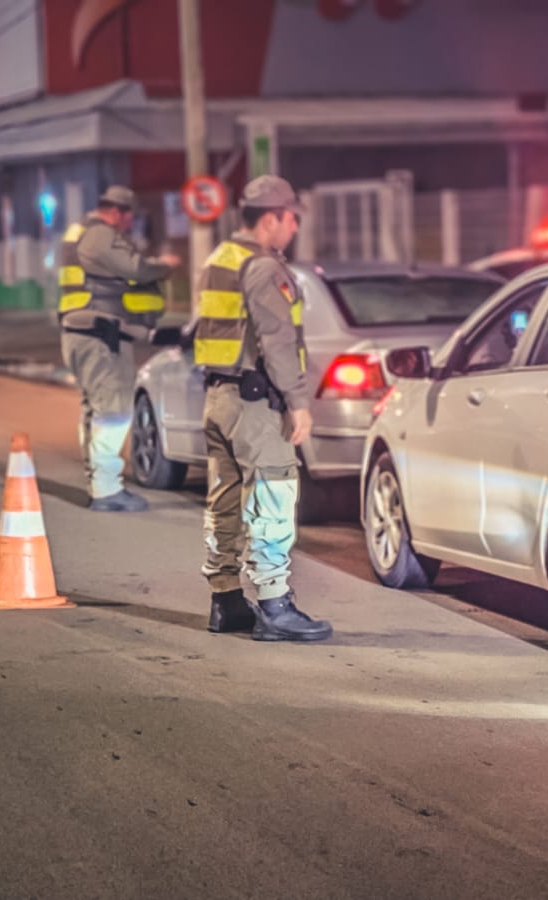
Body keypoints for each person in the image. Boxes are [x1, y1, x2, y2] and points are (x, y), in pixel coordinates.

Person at [192, 175, 332, 642]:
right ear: (270, 218)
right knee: (273, 493)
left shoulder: (220, 259)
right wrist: (297, 402)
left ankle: (226, 600)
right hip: (254, 401)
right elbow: (276, 339)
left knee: (225, 502)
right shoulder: (262, 267)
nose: (293, 227)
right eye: (291, 217)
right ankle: (274, 606)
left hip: (219, 398)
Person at [56, 185, 182, 512]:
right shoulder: (100, 235)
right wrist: (164, 265)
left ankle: (100, 482)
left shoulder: (76, 233)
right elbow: (135, 268)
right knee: (114, 411)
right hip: (101, 335)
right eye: (128, 218)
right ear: (117, 211)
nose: (128, 225)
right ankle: (107, 491)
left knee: (95, 408)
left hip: (80, 331)